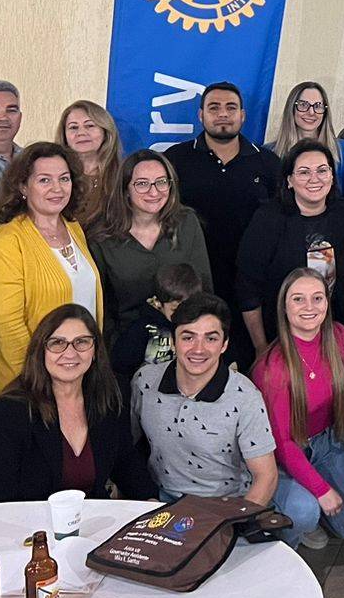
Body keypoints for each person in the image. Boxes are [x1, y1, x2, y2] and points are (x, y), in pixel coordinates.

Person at [0, 142, 103, 431]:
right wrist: (41, 385)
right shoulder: (6, 242)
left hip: (77, 375)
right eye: (44, 180)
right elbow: (6, 327)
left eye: (64, 178)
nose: (57, 188)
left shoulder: (73, 228)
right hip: (29, 389)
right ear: (22, 186)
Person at [0, 305, 153, 503]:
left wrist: (153, 502)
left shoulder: (111, 396)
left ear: (95, 350)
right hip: (26, 526)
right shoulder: (10, 411)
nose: (70, 353)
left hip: (89, 521)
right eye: (57, 343)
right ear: (41, 351)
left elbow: (125, 461)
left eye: (81, 342)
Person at [251, 269, 344, 550]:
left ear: (327, 302)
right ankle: (288, 529)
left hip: (326, 444)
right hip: (282, 456)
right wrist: (322, 490)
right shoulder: (272, 368)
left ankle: (313, 506)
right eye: (298, 299)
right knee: (304, 512)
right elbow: (281, 443)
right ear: (284, 306)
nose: (309, 307)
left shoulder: (340, 338)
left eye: (317, 298)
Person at [131, 293, 278, 503]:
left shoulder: (246, 397)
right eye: (188, 337)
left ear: (224, 344)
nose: (198, 349)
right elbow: (127, 449)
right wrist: (144, 497)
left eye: (210, 338)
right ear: (173, 341)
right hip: (161, 499)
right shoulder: (144, 381)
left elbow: (266, 476)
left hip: (224, 504)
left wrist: (235, 524)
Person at [163, 81, 281, 336]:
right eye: (214, 107)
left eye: (231, 107)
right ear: (201, 115)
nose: (223, 113)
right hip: (193, 281)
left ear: (243, 115)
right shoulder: (175, 160)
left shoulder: (268, 163)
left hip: (251, 286)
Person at [236, 140, 344, 355]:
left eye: (322, 170)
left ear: (332, 176)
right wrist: (261, 348)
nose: (315, 179)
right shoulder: (268, 219)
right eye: (304, 172)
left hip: (339, 338)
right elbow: (247, 288)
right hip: (280, 340)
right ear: (289, 180)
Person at [91, 149, 212, 337]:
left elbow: (205, 290)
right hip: (127, 343)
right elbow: (100, 306)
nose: (154, 191)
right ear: (125, 190)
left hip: (184, 338)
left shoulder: (186, 222)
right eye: (142, 184)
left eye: (161, 182)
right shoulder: (102, 237)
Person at [108, 261, 203, 387]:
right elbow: (120, 366)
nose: (184, 315)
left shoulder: (203, 325)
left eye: (189, 307)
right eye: (175, 310)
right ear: (158, 303)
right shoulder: (142, 329)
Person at [271, 80, 344, 205]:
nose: (311, 112)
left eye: (318, 106)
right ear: (291, 109)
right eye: (303, 105)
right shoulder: (270, 152)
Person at [56, 100, 122, 227]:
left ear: (105, 131)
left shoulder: (123, 175)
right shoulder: (52, 175)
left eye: (90, 126)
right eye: (73, 127)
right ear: (64, 135)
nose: (81, 133)